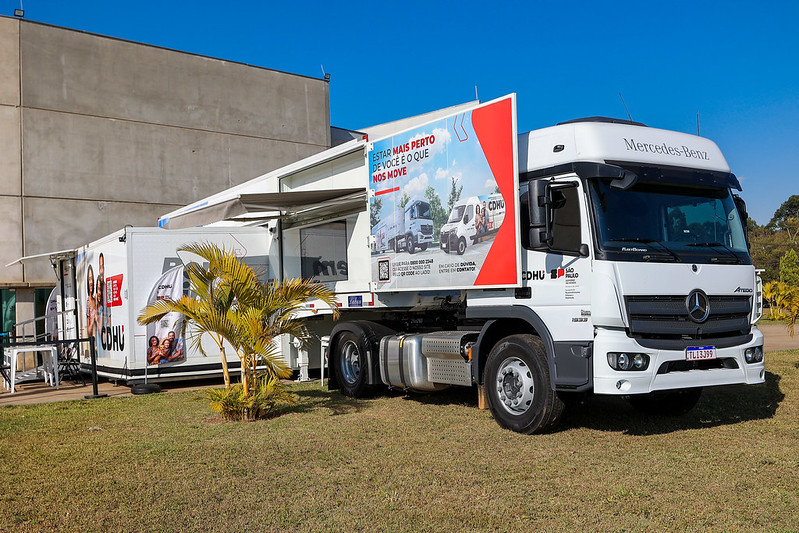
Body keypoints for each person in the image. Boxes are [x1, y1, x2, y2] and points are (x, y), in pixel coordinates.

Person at [86, 265, 96, 337]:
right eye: (89, 279)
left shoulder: (96, 299)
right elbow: (88, 331)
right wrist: (93, 320)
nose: (91, 282)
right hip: (94, 340)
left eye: (92, 279)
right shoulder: (88, 303)